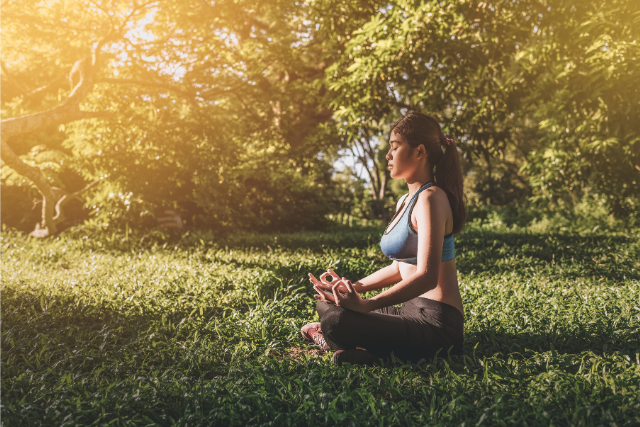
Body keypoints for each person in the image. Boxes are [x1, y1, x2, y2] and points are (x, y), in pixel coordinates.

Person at [301, 111, 466, 366]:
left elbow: (427, 276)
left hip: (438, 324)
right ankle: (365, 350)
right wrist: (353, 289)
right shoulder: (406, 200)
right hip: (409, 309)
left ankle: (367, 352)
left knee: (337, 321)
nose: (388, 155)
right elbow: (399, 268)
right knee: (331, 307)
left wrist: (369, 305)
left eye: (395, 147)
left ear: (419, 151)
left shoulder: (432, 198)